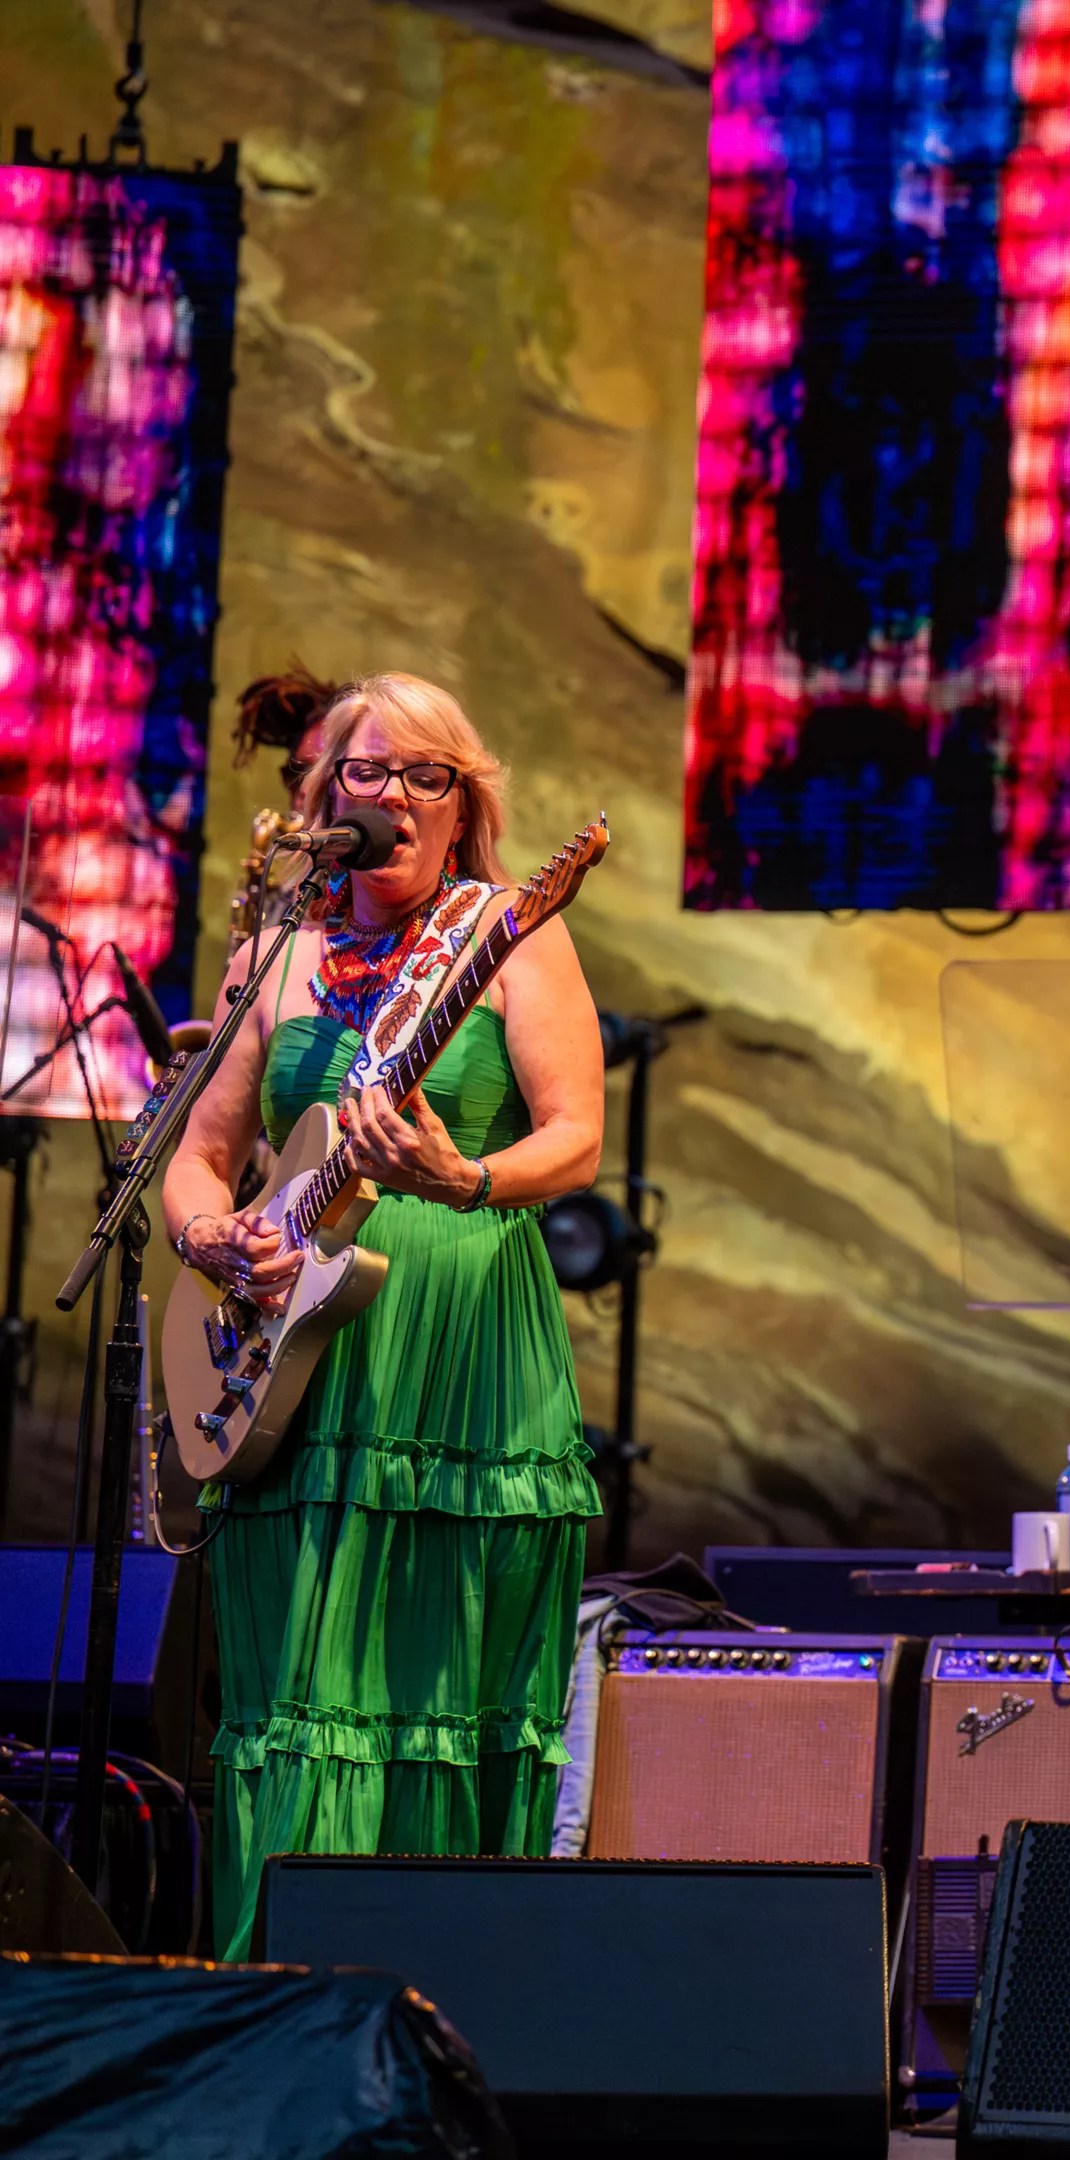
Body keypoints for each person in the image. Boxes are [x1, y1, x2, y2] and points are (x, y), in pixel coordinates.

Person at [160, 673, 605, 1959]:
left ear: (465, 808)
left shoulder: (516, 935)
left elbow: (573, 1143)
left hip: (458, 1336)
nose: (397, 797)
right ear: (325, 800)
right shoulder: (275, 957)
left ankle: (451, 1991)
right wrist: (208, 1232)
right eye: (370, 773)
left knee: (447, 1678)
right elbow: (201, 1154)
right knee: (301, 1691)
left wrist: (463, 1174)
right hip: (294, 1350)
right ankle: (284, 1994)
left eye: (428, 776)